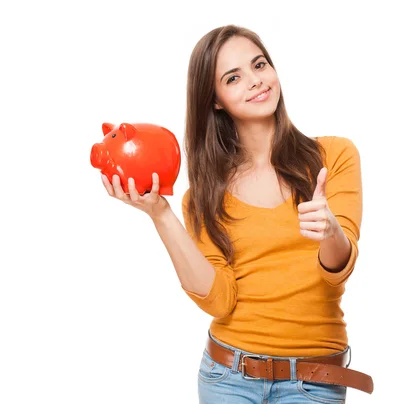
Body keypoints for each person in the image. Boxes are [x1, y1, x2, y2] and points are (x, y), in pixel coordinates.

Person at [101, 24, 373, 403]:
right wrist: (160, 214)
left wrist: (330, 231)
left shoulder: (335, 156)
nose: (255, 81)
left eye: (259, 65)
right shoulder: (203, 196)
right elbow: (219, 301)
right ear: (214, 100)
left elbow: (337, 272)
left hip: (314, 379)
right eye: (233, 77)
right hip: (227, 376)